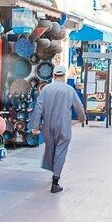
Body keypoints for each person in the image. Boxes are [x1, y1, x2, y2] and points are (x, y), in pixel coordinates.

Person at [29, 65, 86, 193]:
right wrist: (82, 118)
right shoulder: (69, 90)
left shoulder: (46, 89)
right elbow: (79, 106)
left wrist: (35, 126)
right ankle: (55, 181)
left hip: (48, 125)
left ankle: (53, 172)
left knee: (51, 149)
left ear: (54, 75)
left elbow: (38, 107)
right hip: (64, 125)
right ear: (64, 76)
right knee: (61, 151)